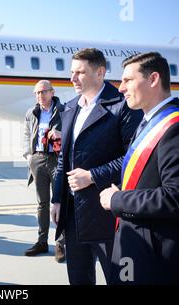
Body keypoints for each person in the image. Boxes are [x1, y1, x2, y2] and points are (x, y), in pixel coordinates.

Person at [99, 52, 179, 285]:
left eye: (128, 80)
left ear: (153, 78)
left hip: (159, 261)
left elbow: (175, 199)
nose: (120, 88)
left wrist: (117, 199)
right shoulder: (146, 123)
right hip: (138, 249)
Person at [50, 48, 143, 285]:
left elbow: (132, 157)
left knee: (120, 279)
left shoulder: (122, 106)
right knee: (79, 279)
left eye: (80, 72)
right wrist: (57, 198)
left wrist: (93, 176)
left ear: (100, 72)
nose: (72, 78)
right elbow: (63, 158)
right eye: (72, 72)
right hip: (73, 214)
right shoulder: (70, 107)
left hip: (107, 214)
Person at [22, 80, 65, 261]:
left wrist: (61, 135)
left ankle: (60, 243)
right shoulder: (32, 112)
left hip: (56, 159)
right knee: (42, 204)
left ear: (52, 92)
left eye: (43, 92)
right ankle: (42, 241)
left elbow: (72, 132)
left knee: (59, 203)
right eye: (37, 93)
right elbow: (26, 134)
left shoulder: (64, 111)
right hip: (38, 159)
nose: (40, 96)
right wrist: (29, 156)